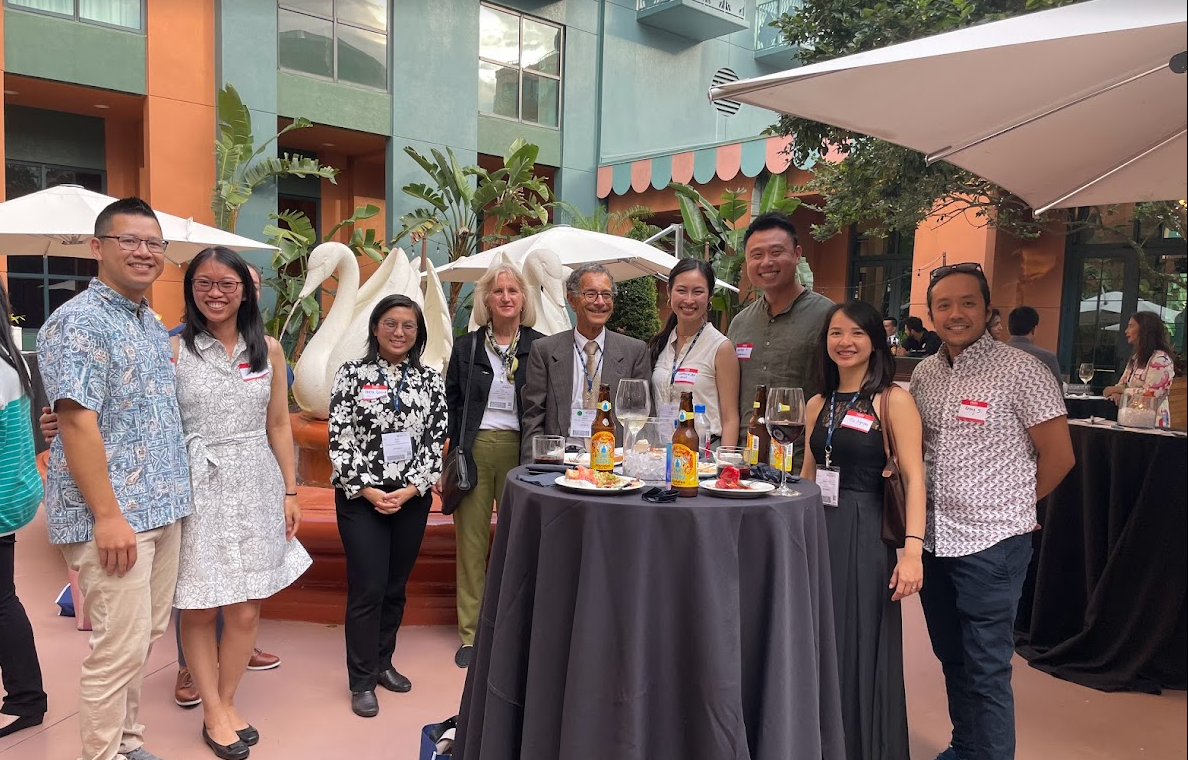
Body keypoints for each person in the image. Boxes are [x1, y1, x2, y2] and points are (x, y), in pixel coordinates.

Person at [37, 197, 192, 760]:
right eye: (129, 240)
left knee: (139, 642)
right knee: (116, 650)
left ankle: (127, 744)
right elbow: (77, 424)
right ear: (98, 249)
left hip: (160, 508)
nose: (144, 252)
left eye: (154, 243)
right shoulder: (79, 321)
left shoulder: (148, 321)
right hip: (114, 516)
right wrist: (107, 516)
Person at [911, 262, 1074, 760]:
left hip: (993, 545)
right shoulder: (924, 373)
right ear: (931, 314)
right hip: (936, 540)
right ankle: (965, 748)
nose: (955, 313)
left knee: (986, 666)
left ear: (987, 310)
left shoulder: (1023, 371)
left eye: (967, 303)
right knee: (952, 657)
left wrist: (1017, 507)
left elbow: (1060, 457)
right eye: (944, 305)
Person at [170, 247, 311, 759]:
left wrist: (290, 491)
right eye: (204, 283)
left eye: (227, 284)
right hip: (197, 484)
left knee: (247, 608)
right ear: (190, 290)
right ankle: (212, 709)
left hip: (255, 480)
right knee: (201, 604)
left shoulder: (268, 349)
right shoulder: (175, 350)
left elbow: (278, 423)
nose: (215, 293)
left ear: (246, 291)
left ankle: (227, 700)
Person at [799, 300, 925, 760]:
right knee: (817, 637)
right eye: (835, 333)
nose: (844, 342)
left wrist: (912, 552)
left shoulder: (894, 400)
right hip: (819, 528)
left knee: (859, 638)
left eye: (856, 333)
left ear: (875, 341)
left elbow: (913, 478)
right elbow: (809, 475)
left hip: (867, 529)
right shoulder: (818, 403)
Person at [328, 294, 447, 718]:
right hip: (362, 500)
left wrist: (413, 489)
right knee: (369, 588)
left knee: (395, 586)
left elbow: (436, 441)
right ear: (375, 328)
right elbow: (339, 439)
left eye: (409, 326)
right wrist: (369, 489)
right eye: (391, 324)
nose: (400, 333)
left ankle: (383, 662)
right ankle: (360, 680)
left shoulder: (431, 380)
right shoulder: (352, 375)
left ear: (419, 333)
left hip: (410, 500)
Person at [441, 263, 543, 670]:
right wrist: (448, 454)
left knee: (522, 541)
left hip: (523, 450)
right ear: (485, 299)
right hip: (476, 449)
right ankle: (472, 633)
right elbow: (452, 403)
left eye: (512, 291)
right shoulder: (466, 347)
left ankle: (520, 628)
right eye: (497, 291)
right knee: (471, 544)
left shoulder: (539, 346)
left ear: (523, 299)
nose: (505, 297)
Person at [520, 263, 651, 464]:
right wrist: (532, 469)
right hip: (560, 463)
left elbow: (642, 419)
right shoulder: (544, 350)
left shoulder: (634, 352)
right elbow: (534, 417)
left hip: (614, 465)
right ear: (572, 300)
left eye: (606, 295)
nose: (600, 302)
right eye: (590, 294)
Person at [727, 212, 833, 429]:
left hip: (802, 456)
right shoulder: (740, 323)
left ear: (796, 255)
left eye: (776, 252)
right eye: (756, 255)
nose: (766, 262)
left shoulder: (828, 316)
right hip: (747, 453)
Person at [0, 278, 47, 741]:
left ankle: (25, 700)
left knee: (1, 602)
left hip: (1, 500)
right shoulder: (8, 362)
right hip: (10, 496)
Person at [647, 259, 740, 446]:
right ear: (669, 292)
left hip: (704, 453)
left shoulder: (721, 347)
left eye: (698, 292)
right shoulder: (660, 344)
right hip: (662, 450)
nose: (689, 300)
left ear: (709, 296)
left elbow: (730, 418)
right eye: (681, 290)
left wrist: (724, 467)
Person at [1104, 311, 1181, 404]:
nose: (1126, 331)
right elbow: (1122, 384)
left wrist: (1121, 391)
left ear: (1145, 330)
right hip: (1129, 415)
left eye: (1131, 326)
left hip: (1153, 417)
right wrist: (1115, 394)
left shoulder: (1161, 360)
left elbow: (1152, 393)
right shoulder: (1136, 358)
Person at [1005, 306, 1062, 386]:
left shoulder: (995, 354)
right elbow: (1057, 391)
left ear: (1008, 328)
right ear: (1034, 329)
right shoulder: (1046, 357)